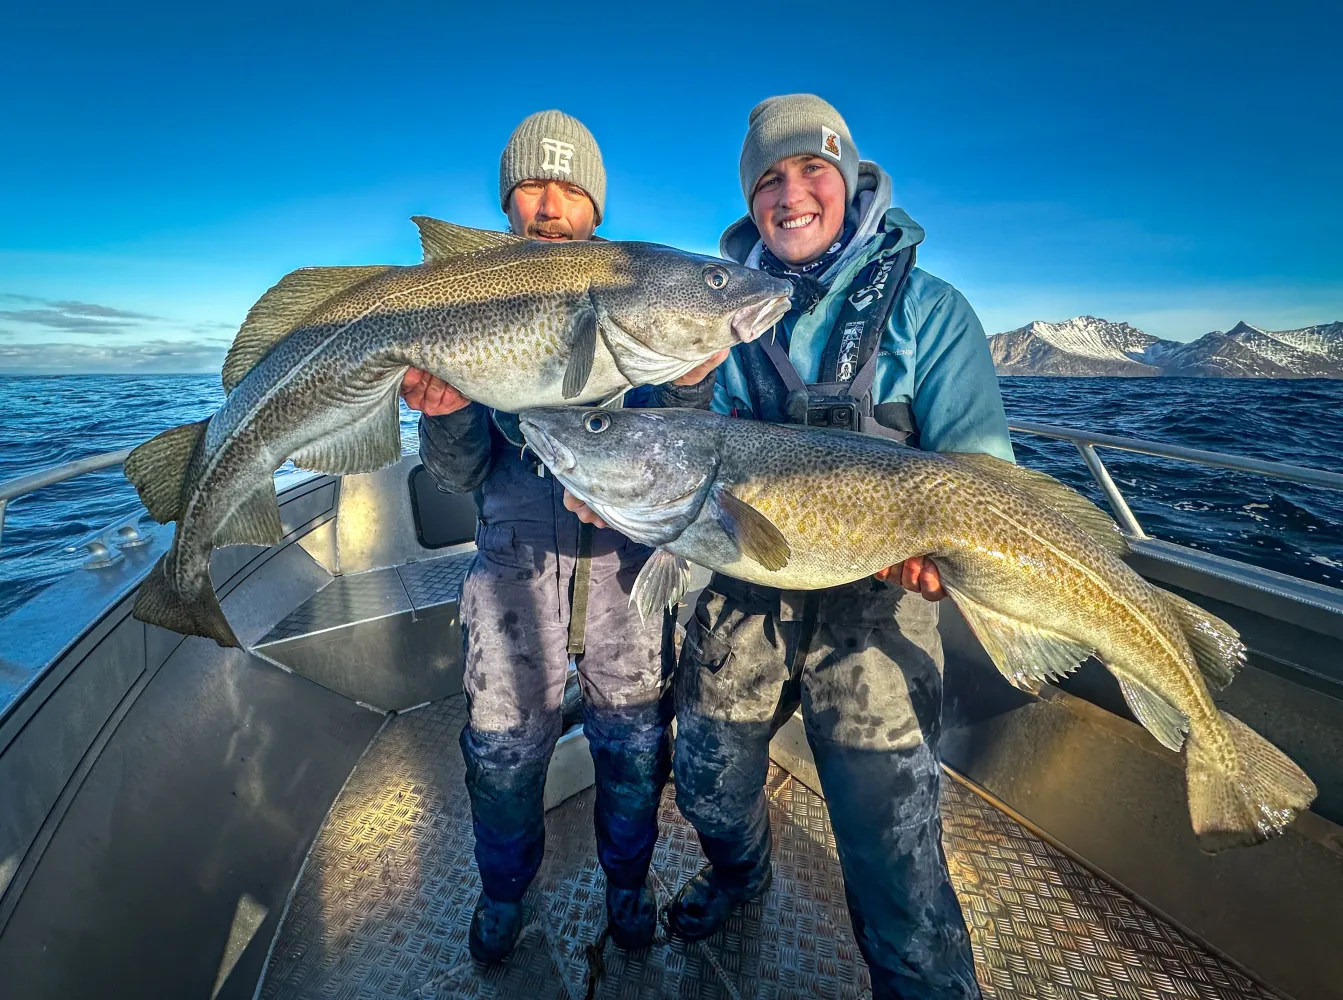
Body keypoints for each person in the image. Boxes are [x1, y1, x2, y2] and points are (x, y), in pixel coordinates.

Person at [659, 94, 1010, 999]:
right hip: (744, 588)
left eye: (809, 169)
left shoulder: (931, 314)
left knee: (891, 851)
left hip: (878, 602)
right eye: (768, 178)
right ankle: (741, 875)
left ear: (851, 179)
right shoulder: (715, 312)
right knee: (704, 782)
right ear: (750, 200)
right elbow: (672, 443)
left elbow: (979, 475)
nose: (790, 193)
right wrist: (682, 393)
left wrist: (939, 551)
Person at [401, 110, 718, 964]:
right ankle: (505, 893)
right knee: (502, 757)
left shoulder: (636, 304)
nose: (549, 205)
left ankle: (628, 883)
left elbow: (680, 460)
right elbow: (457, 479)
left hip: (626, 576)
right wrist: (450, 412)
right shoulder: (473, 310)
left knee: (633, 747)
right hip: (511, 576)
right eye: (532, 187)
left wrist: (687, 389)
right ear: (506, 206)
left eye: (569, 189)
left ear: (595, 211)